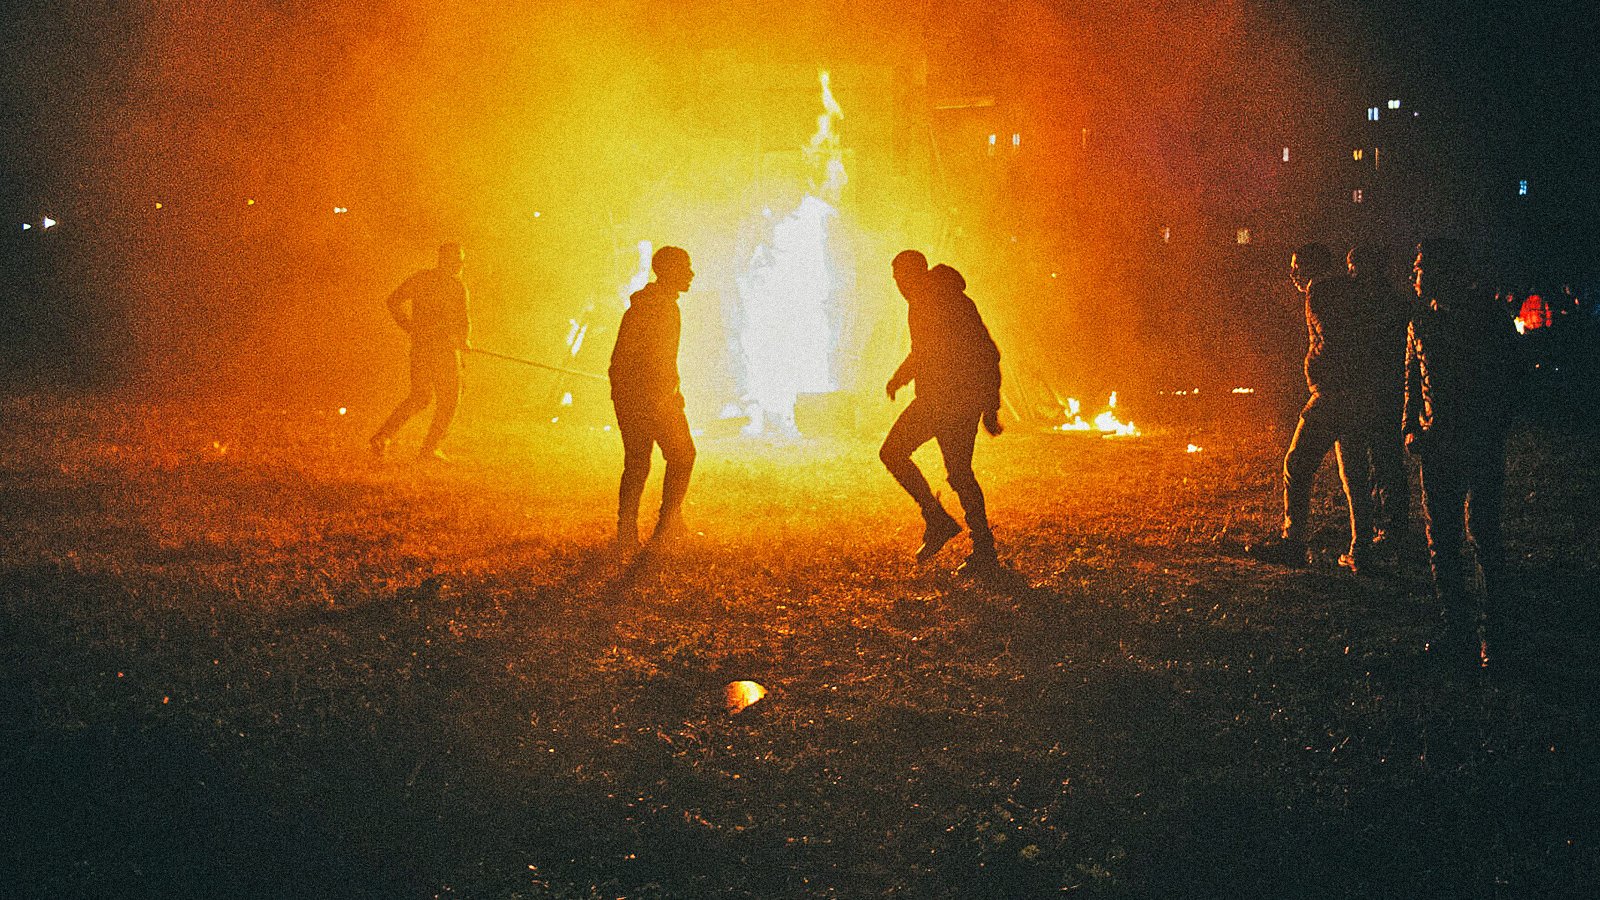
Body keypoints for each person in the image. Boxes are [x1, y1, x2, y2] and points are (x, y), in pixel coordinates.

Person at [1405, 239, 1518, 669]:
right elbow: (1412, 380)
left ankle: (1497, 639)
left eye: (1420, 267)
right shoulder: (1421, 321)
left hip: (1477, 440)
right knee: (1443, 542)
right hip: (1437, 446)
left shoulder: (1487, 319)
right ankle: (1458, 634)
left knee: (1484, 535)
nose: (1414, 275)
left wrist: (1493, 428)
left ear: (1441, 271)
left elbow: (1511, 378)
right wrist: (1410, 427)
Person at [1251, 243, 1375, 571]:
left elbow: (1331, 339)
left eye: (1296, 266)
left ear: (1310, 267)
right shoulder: (1348, 291)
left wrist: (1316, 367)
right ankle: (1363, 548)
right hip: (1357, 392)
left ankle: (1293, 542)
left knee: (1298, 461)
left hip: (1333, 393)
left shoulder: (1319, 292)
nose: (1292, 273)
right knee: (1354, 474)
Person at [879, 251, 1004, 575]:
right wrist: (901, 377)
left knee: (899, 454)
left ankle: (946, 525)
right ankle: (974, 543)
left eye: (900, 276)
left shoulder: (937, 301)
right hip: (947, 400)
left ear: (915, 274)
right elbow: (929, 351)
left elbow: (984, 353)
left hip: (948, 401)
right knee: (955, 471)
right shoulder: (930, 300)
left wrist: (990, 406)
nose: (897, 284)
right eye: (895, 278)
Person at [610, 245, 697, 551]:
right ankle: (667, 524)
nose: (691, 273)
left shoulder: (652, 304)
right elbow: (634, 356)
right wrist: (658, 393)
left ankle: (628, 528)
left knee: (637, 462)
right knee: (683, 455)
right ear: (669, 270)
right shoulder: (654, 307)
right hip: (651, 398)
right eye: (685, 267)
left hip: (641, 396)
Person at [370, 242, 471, 461]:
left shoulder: (443, 283)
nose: (461, 265)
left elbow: (463, 322)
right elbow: (394, 301)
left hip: (428, 348)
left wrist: (463, 340)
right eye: (457, 260)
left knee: (421, 397)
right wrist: (410, 327)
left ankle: (384, 437)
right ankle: (428, 449)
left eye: (462, 261)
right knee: (448, 399)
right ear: (445, 260)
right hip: (437, 350)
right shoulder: (441, 284)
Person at [1347, 244, 1413, 546]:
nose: (1351, 273)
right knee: (1384, 459)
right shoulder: (1392, 300)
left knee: (1381, 459)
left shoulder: (1370, 303)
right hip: (1383, 387)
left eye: (1354, 266)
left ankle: (1390, 525)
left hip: (1378, 389)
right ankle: (1389, 523)